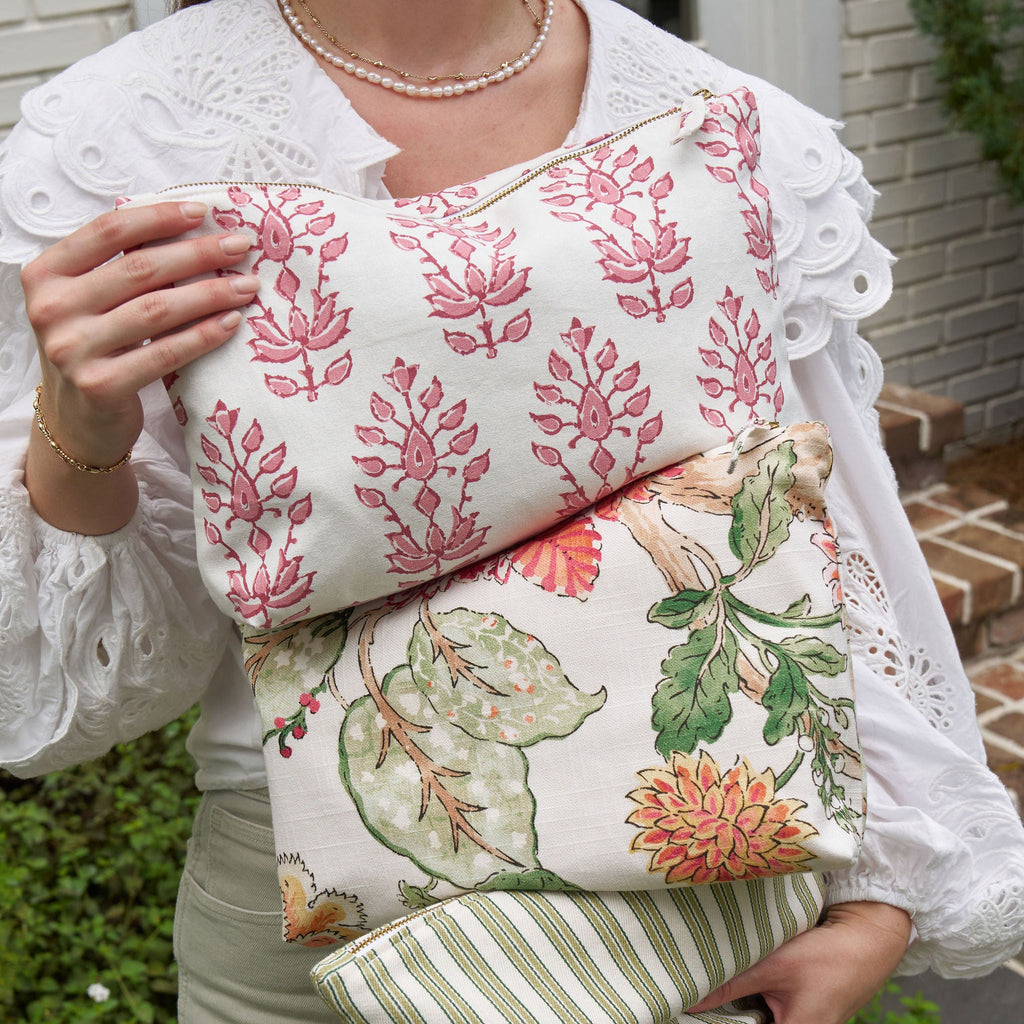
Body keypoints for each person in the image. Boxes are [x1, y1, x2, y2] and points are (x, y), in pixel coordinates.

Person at [0, 0, 1021, 1021]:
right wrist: (79, 435)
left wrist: (877, 896)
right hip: (311, 948)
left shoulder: (727, 123)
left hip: (710, 904)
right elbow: (84, 690)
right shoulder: (122, 133)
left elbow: (815, 535)